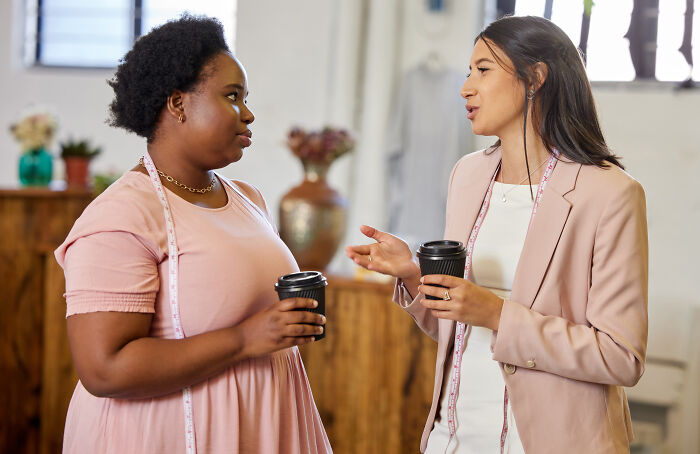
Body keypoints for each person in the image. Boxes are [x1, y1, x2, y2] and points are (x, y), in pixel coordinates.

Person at [346, 15, 648, 454]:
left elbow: (621, 356)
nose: (466, 87)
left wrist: (497, 315)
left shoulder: (610, 193)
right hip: (453, 436)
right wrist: (413, 275)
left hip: (550, 442)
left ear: (535, 78)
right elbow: (459, 330)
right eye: (468, 71)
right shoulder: (468, 176)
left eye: (483, 70)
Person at [54, 15, 332, 454]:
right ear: (178, 104)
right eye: (232, 96)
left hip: (258, 424)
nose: (248, 112)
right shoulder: (121, 216)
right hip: (162, 435)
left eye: (246, 97)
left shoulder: (248, 199)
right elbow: (104, 370)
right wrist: (244, 340)